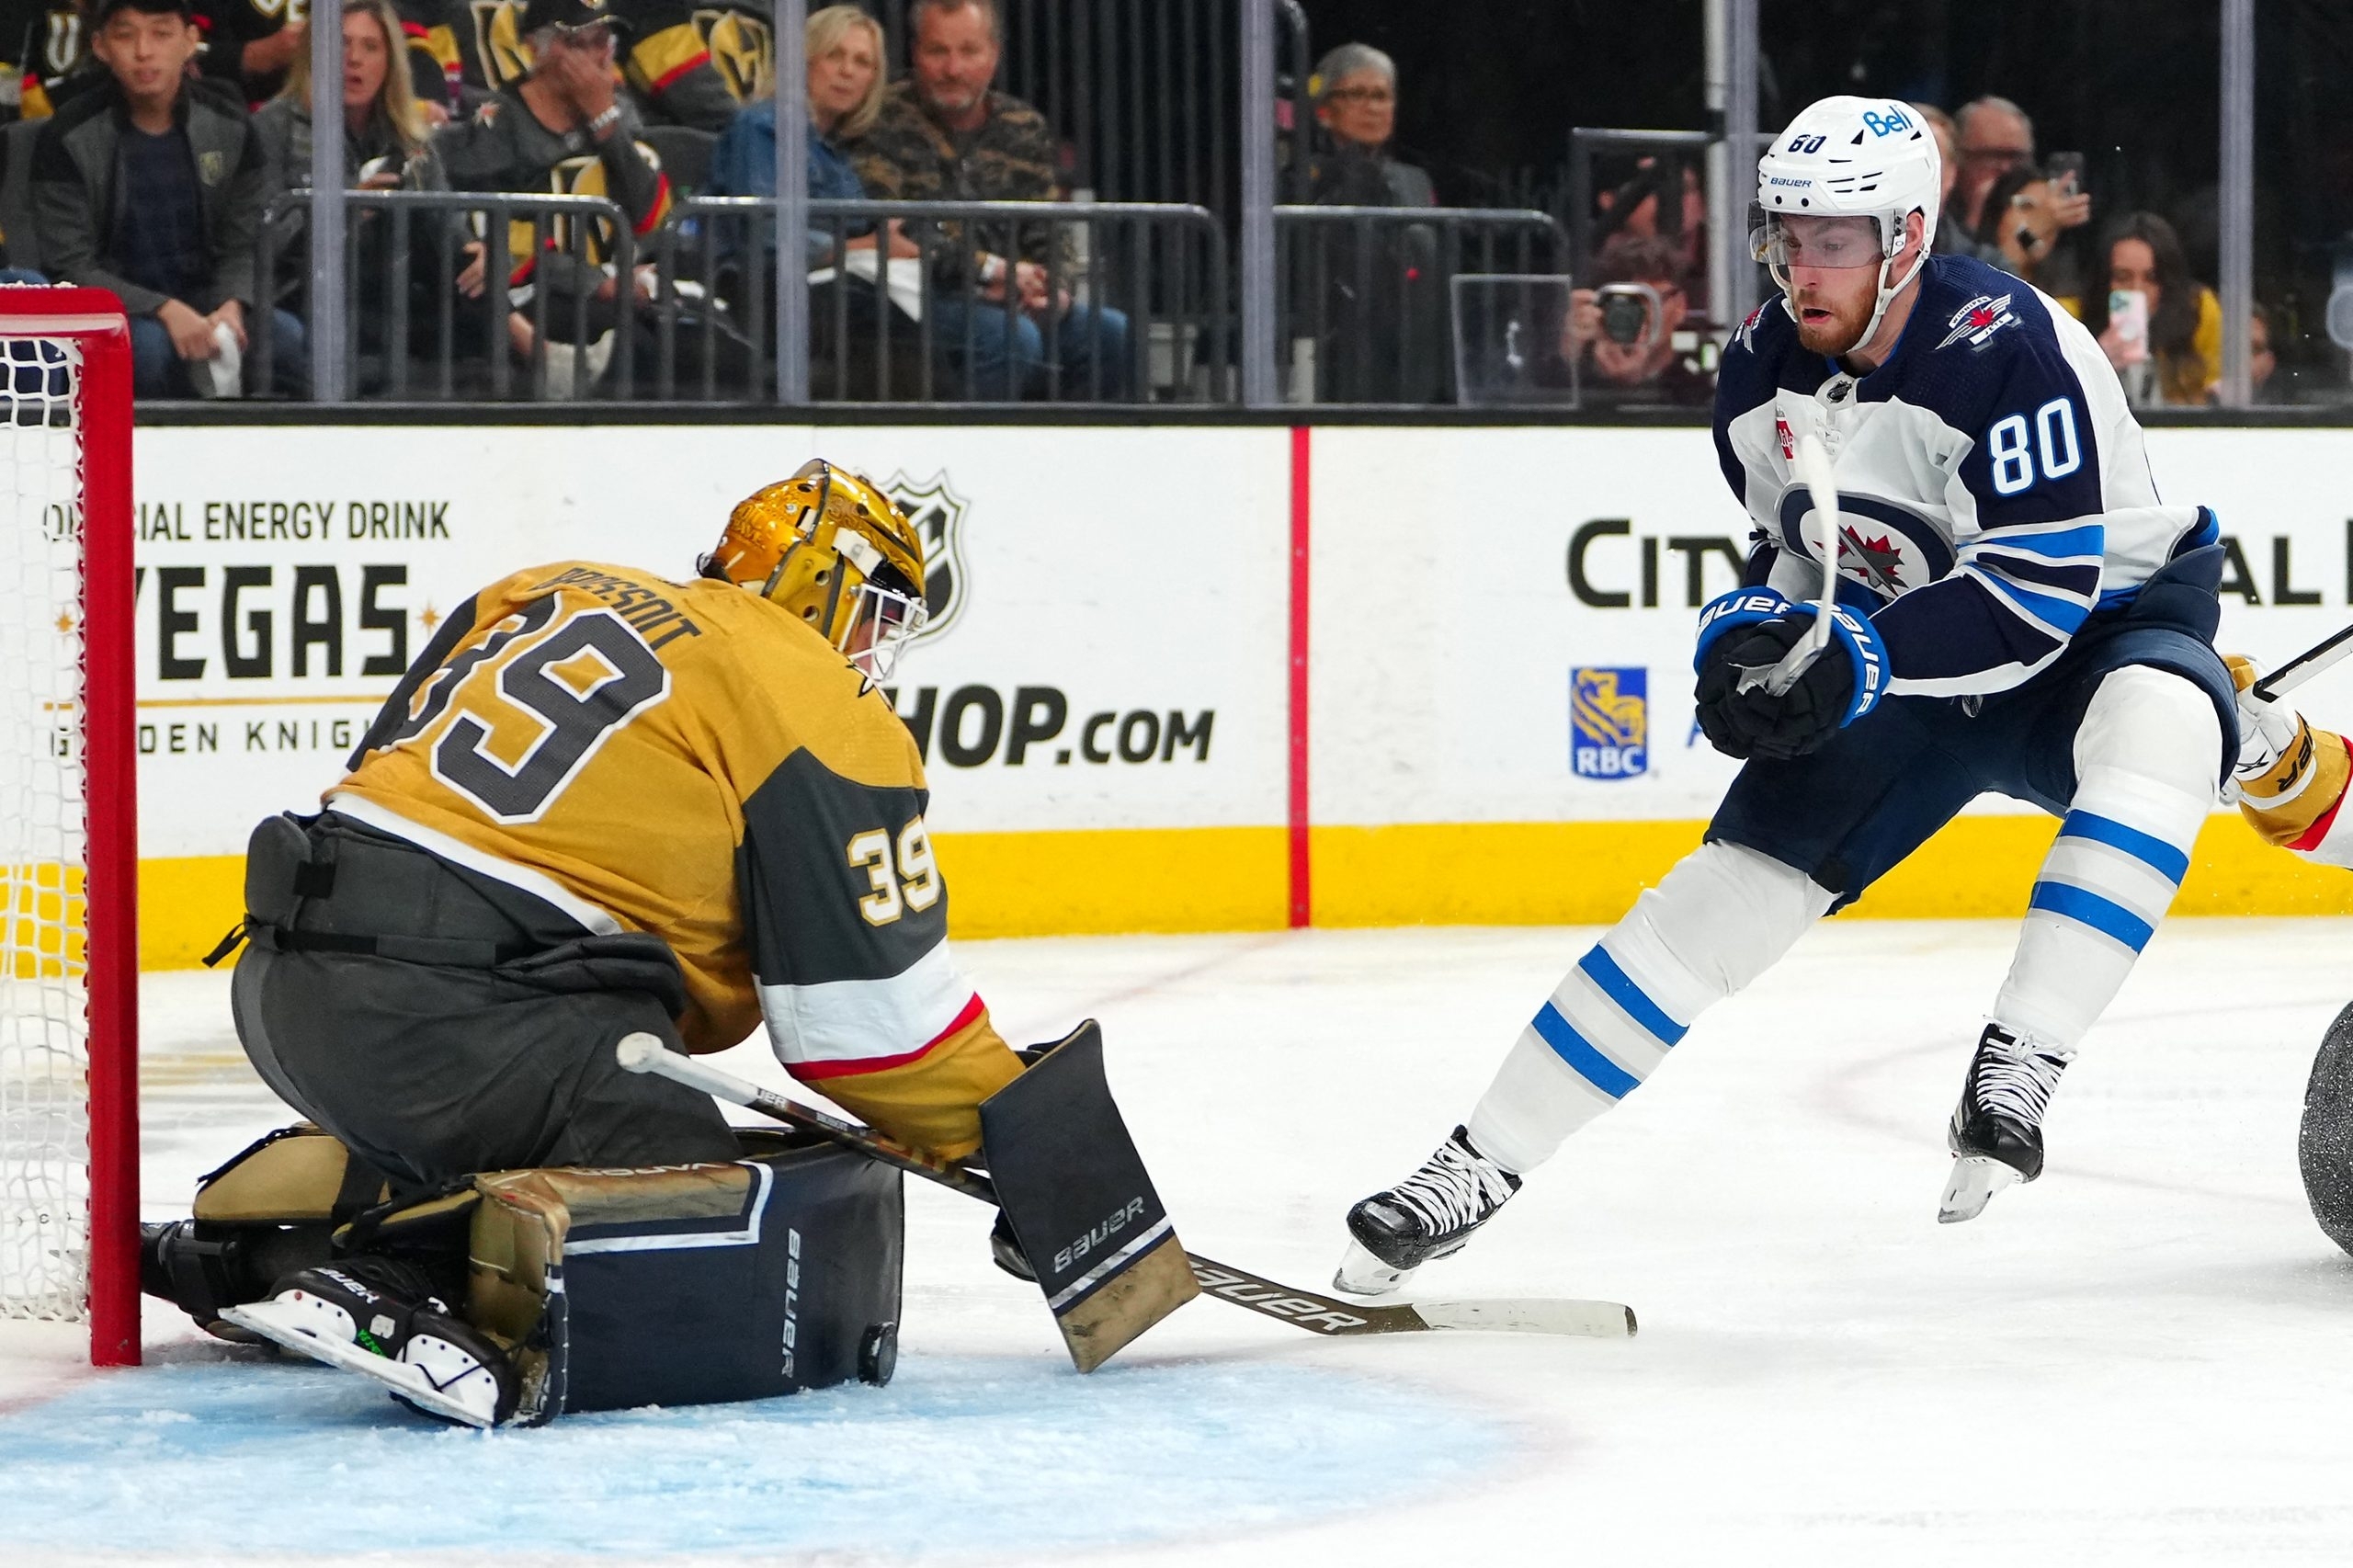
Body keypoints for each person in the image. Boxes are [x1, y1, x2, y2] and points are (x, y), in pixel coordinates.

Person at [1336, 95, 2235, 1296]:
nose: (1801, 265)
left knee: (2171, 729)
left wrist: (1856, 655)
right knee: (1714, 903)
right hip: (1911, 657)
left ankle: (2024, 1055)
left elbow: (2035, 597)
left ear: (1909, 236)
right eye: (1789, 234)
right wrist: (1755, 625)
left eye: (1836, 237)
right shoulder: (1760, 370)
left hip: (2093, 640)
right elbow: (1803, 550)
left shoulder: (2003, 343)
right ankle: (1469, 1167)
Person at [191, 462, 1028, 1420]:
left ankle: (243, 1250)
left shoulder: (549, 584)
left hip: (284, 990)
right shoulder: (812, 695)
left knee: (580, 1070)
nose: (878, 645)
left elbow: (389, 791)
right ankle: (391, 1280)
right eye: (877, 611)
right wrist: (1020, 1137)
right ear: (820, 582)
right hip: (457, 1024)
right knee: (700, 1214)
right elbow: (876, 1031)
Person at [847, 0, 1129, 401]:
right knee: (1014, 339)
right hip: (917, 299)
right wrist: (992, 274)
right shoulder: (882, 118)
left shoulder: (1024, 127)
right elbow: (898, 232)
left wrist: (1055, 290)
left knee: (1111, 333)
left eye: (969, 51)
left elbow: (1049, 231)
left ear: (994, 55)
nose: (953, 69)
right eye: (938, 51)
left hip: (1012, 296)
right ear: (915, 55)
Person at [33, 0, 307, 396]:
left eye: (161, 34)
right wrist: (163, 309)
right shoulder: (68, 135)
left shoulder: (228, 123)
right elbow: (70, 266)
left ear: (190, 41)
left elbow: (244, 241)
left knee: (287, 340)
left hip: (210, 300)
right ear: (100, 46)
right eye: (125, 35)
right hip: (120, 309)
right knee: (147, 351)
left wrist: (232, 303)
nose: (144, 51)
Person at [412, 0, 671, 381]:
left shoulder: (617, 112)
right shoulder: (496, 125)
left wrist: (606, 126)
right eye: (581, 43)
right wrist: (599, 285)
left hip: (618, 285)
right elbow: (498, 235)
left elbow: (654, 217)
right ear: (538, 47)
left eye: (604, 40)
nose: (598, 56)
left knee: (684, 334)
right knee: (635, 343)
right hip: (527, 294)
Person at [707, 4, 919, 393]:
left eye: (862, 62)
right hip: (760, 295)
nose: (847, 72)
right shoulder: (762, 127)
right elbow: (770, 236)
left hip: (828, 291)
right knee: (906, 335)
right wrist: (867, 245)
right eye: (834, 56)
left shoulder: (835, 150)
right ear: (803, 61)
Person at [2078, 211, 2222, 407]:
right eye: (2123, 278)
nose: (2137, 290)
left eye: (2151, 279)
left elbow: (2217, 389)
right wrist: (2093, 363)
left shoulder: (2198, 310)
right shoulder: (2069, 319)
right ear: (2104, 281)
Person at [1556, 233, 1712, 404]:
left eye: (1649, 300)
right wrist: (1569, 358)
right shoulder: (1578, 371)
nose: (1639, 314)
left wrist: (1638, 385)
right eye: (1627, 302)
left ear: (1680, 307)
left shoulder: (1702, 374)